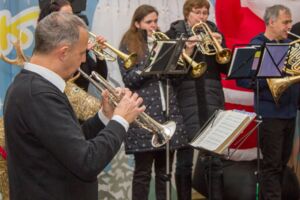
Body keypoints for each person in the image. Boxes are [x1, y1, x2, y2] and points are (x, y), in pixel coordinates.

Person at [3, 12, 145, 200]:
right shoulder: (38, 94)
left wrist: (105, 116)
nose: (84, 60)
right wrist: (121, 120)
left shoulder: (33, 87)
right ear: (63, 52)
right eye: (81, 53)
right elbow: (87, 162)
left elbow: (70, 144)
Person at [118, 4, 188, 200]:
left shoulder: (163, 43)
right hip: (145, 115)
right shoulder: (128, 45)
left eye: (156, 21)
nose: (154, 25)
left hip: (168, 113)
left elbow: (177, 80)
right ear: (137, 23)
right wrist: (152, 65)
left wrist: (183, 57)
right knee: (142, 173)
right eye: (149, 22)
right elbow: (129, 79)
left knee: (165, 174)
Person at [165, 0, 229, 199]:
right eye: (197, 12)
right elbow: (169, 73)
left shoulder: (213, 32)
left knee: (215, 160)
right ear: (187, 14)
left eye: (205, 12)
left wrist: (221, 46)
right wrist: (188, 51)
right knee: (184, 161)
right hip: (184, 101)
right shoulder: (174, 34)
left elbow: (225, 69)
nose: (202, 17)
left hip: (211, 100)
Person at [237, 5, 300, 200]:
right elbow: (244, 79)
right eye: (285, 22)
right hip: (270, 112)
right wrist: (270, 78)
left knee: (281, 164)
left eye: (290, 22)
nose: (289, 26)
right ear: (271, 22)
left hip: (289, 112)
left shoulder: (292, 45)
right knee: (271, 165)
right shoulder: (257, 45)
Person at [38, 0, 108, 91]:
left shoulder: (77, 44)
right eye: (66, 16)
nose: (72, 21)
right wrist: (81, 52)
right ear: (52, 20)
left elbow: (100, 77)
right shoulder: (49, 48)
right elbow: (68, 76)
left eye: (72, 16)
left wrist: (99, 55)